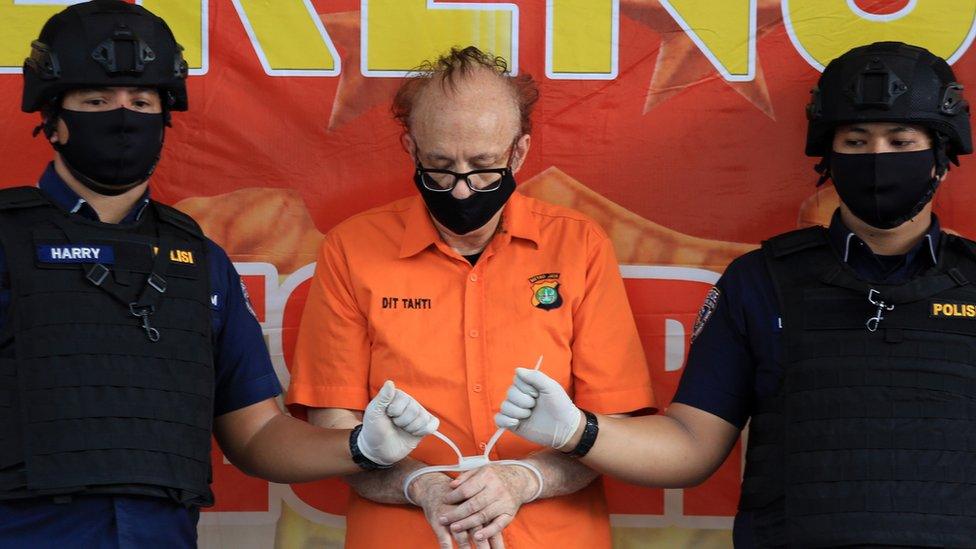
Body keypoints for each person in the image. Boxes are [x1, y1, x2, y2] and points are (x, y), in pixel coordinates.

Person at [495, 41, 976, 548]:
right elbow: (690, 445)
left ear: (941, 158)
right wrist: (578, 431)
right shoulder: (761, 281)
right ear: (829, 159)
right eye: (855, 143)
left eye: (901, 143)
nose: (877, 160)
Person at [0, 2, 437, 547]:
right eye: (95, 100)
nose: (121, 117)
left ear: (164, 118)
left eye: (141, 102)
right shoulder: (6, 241)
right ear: (53, 119)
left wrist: (361, 447)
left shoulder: (201, 262)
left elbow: (257, 434)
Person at [286, 46, 655, 548]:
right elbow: (335, 429)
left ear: (518, 152)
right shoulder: (352, 250)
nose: (462, 191)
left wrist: (523, 481)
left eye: (484, 166)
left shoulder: (580, 247)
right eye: (440, 165)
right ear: (412, 149)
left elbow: (613, 430)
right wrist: (422, 486)